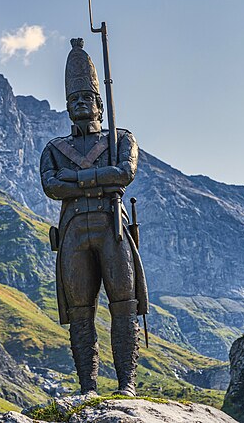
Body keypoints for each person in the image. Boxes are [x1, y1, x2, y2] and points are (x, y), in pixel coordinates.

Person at [39, 38, 148, 397]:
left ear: (99, 103)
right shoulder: (53, 149)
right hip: (73, 233)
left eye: (86, 98)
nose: (80, 104)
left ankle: (126, 384)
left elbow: (124, 173)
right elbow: (51, 186)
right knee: (81, 311)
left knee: (124, 304)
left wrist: (78, 180)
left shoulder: (121, 138)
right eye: (73, 100)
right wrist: (99, 180)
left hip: (112, 228)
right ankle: (88, 387)